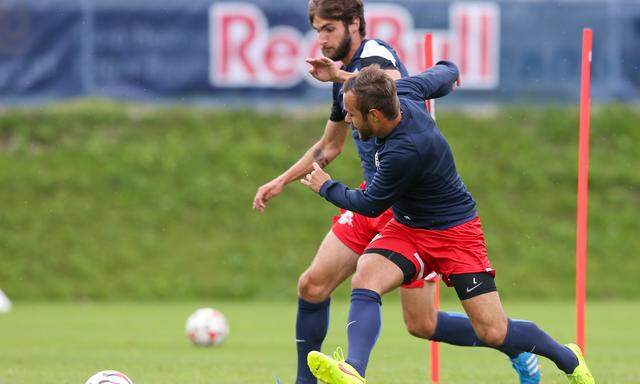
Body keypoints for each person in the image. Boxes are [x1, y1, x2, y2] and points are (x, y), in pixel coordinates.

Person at [254, 1, 541, 383]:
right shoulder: (345, 84)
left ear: (354, 23)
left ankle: (513, 343)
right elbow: (329, 147)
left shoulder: (374, 54)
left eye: (328, 29)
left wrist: (340, 75)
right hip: (372, 196)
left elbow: (384, 80)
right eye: (317, 30)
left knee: (422, 323)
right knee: (313, 285)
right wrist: (281, 180)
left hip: (404, 205)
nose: (321, 39)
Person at [300, 65, 595, 384]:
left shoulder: (405, 150)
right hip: (409, 229)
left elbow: (370, 204)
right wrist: (449, 73)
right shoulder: (405, 93)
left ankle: (567, 356)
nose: (347, 119)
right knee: (367, 276)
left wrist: (326, 186)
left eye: (352, 114)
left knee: (494, 331)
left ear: (374, 115)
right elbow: (445, 73)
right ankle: (354, 369)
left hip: (456, 234)